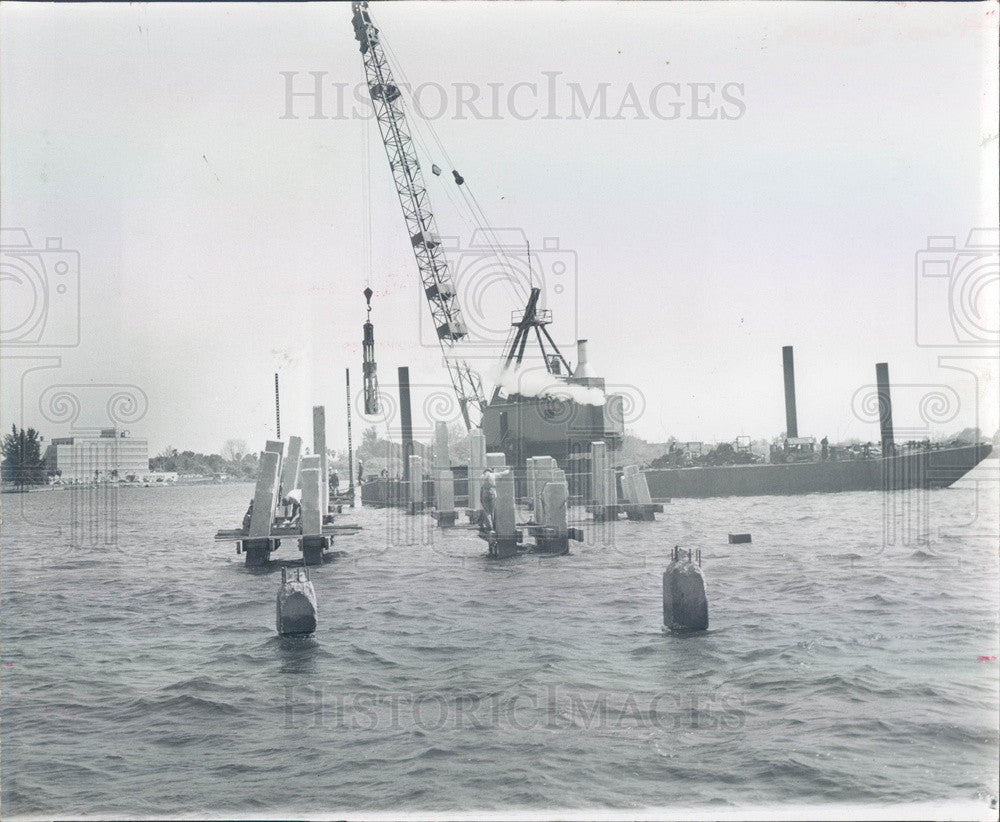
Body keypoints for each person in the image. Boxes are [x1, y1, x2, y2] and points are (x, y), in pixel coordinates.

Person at [479, 467, 509, 533]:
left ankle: (490, 527)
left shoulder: (481, 477)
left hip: (484, 493)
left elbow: (481, 488)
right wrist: (509, 470)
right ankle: (494, 526)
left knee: (487, 511)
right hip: (492, 492)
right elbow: (503, 473)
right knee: (492, 510)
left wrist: (481, 497)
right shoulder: (493, 475)